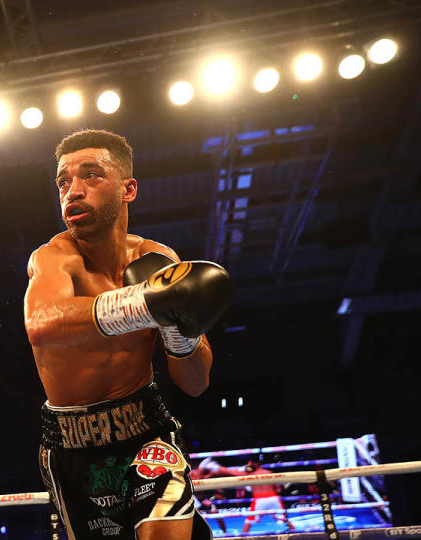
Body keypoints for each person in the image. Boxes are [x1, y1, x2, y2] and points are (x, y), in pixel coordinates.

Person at [24, 129, 233, 539]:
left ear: (128, 189)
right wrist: (143, 304)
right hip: (72, 444)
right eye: (63, 182)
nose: (73, 191)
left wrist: (178, 332)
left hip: (146, 430)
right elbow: (41, 323)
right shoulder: (54, 257)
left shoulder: (158, 260)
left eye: (91, 176)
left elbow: (195, 383)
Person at [207, 458, 295, 534]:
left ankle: (241, 538)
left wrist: (215, 466)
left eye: (250, 463)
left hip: (259, 499)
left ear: (255, 464)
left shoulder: (250, 475)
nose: (248, 465)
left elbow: (230, 472)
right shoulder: (269, 472)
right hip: (274, 498)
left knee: (248, 521)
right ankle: (296, 534)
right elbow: (278, 489)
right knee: (284, 518)